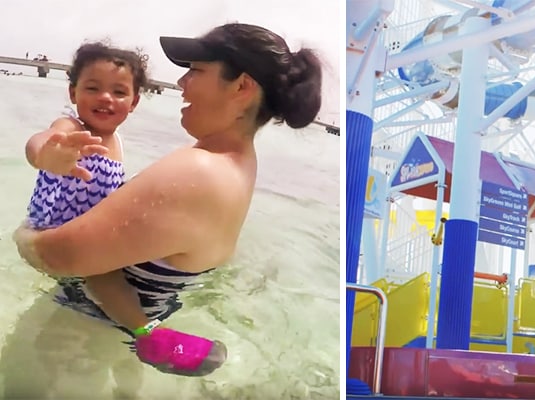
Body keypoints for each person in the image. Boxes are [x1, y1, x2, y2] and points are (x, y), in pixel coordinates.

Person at [13, 23, 323, 377]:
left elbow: (58, 256)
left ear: (241, 86)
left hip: (77, 343)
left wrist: (23, 234)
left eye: (195, 70)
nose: (181, 83)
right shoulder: (239, 166)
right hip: (119, 335)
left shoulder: (198, 172)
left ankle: (149, 335)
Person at [17, 41, 232, 374]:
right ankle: (148, 334)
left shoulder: (116, 140)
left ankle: (127, 367)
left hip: (86, 226)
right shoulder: (72, 129)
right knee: (103, 273)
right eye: (93, 88)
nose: (106, 98)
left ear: (133, 103)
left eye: (118, 92)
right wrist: (47, 154)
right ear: (73, 93)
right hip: (57, 229)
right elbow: (41, 141)